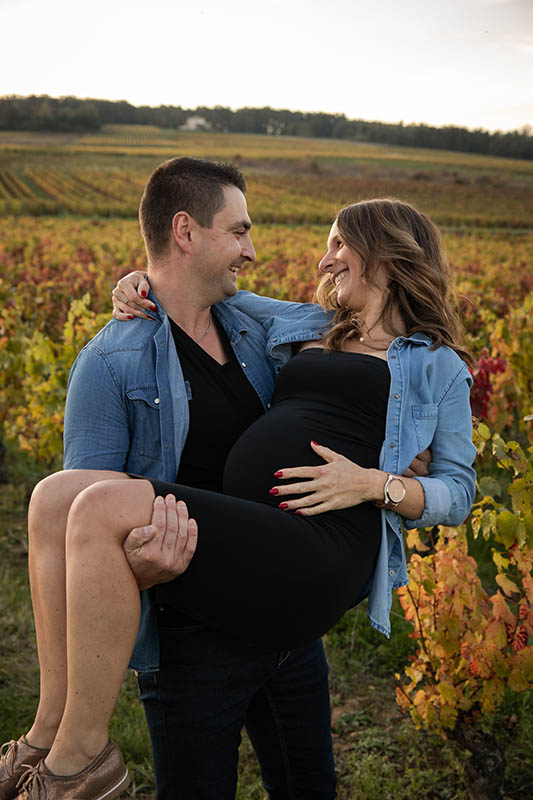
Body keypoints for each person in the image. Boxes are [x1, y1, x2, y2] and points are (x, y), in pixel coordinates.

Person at [3, 163, 476, 800]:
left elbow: (459, 489)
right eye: (240, 231)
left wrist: (376, 484)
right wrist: (136, 279)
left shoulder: (433, 363)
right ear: (186, 232)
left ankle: (81, 762)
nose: (323, 258)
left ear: (385, 254)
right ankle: (48, 734)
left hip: (315, 549)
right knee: (55, 495)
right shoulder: (307, 327)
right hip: (241, 559)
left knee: (101, 504)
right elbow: (177, 290)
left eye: (339, 243)